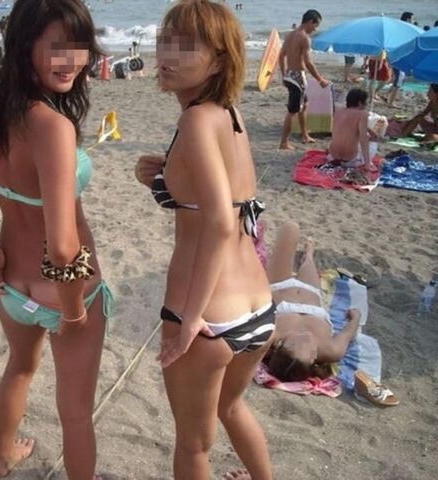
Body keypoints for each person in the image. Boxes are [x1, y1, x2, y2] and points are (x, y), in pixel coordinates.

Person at [0, 0, 110, 478]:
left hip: (13, 285)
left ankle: (3, 457)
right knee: (75, 413)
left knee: (20, 366)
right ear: (24, 45)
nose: (72, 60)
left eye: (80, 46)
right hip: (67, 291)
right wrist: (73, 310)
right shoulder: (53, 127)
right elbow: (63, 246)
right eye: (57, 46)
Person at [135, 1, 275, 478]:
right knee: (231, 409)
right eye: (164, 42)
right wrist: (162, 175)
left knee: (193, 447)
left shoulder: (194, 121)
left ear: (219, 60)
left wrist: (192, 317)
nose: (166, 55)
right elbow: (228, 196)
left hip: (208, 314)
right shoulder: (229, 114)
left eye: (185, 45)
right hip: (257, 306)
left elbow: (217, 221)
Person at [263, 221, 360, 382]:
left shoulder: (273, 338)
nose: (305, 337)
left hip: (279, 285)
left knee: (291, 228)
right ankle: (309, 253)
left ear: (281, 346)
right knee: (308, 263)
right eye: (308, 348)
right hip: (311, 292)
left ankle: (304, 253)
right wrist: (355, 317)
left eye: (294, 343)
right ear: (314, 359)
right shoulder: (331, 350)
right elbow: (348, 334)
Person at [278, 9, 329, 150]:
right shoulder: (305, 38)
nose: (315, 29)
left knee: (304, 105)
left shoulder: (290, 35)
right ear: (310, 22)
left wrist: (284, 74)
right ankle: (284, 142)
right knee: (293, 111)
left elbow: (281, 56)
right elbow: (308, 63)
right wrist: (320, 79)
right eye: (315, 26)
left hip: (290, 75)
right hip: (297, 78)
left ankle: (305, 135)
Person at [327, 88, 378, 171]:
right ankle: (366, 162)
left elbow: (347, 126)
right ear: (360, 102)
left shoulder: (338, 110)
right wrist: (367, 164)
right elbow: (363, 140)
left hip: (332, 157)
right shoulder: (362, 114)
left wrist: (368, 129)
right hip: (350, 161)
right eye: (365, 102)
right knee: (373, 143)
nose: (366, 105)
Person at [387, 12, 414, 107]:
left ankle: (389, 96)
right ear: (408, 19)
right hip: (398, 58)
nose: (413, 21)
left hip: (397, 57)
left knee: (398, 79)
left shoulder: (399, 28)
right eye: (412, 19)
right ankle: (391, 102)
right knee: (399, 79)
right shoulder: (404, 30)